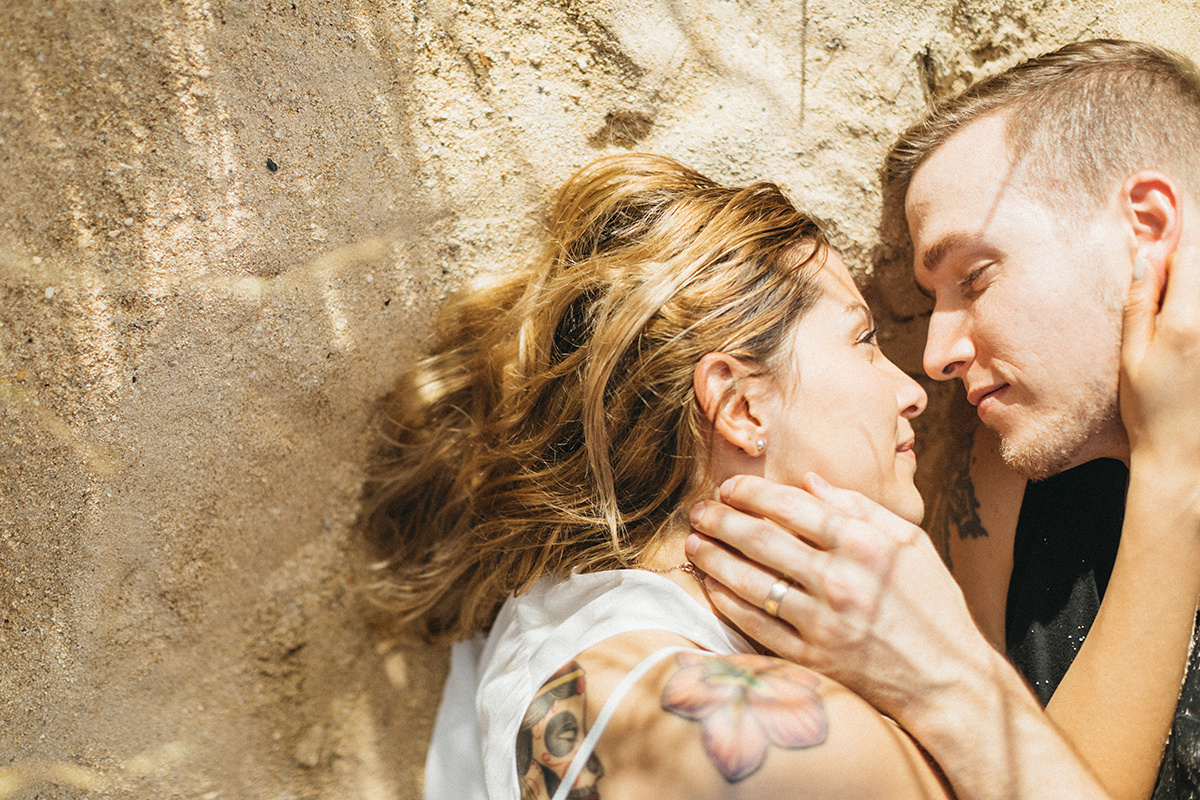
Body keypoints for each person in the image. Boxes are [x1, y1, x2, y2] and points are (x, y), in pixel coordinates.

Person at [361, 153, 1114, 800]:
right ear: (742, 406)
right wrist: (954, 672)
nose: (912, 389)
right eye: (863, 339)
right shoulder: (738, 740)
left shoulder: (566, 617)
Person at [685, 38, 1200, 800]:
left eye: (975, 277)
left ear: (1147, 229)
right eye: (931, 301)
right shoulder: (1005, 471)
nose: (936, 356)